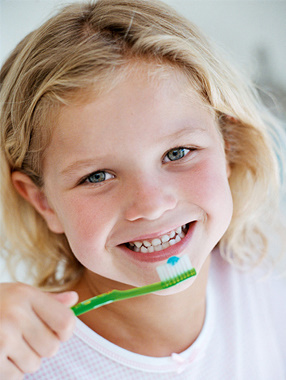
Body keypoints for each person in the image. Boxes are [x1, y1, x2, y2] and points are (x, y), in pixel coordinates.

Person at [0, 0, 285, 378]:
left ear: (228, 144)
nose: (150, 205)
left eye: (178, 153)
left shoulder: (270, 273)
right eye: (98, 176)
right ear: (43, 202)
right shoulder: (21, 359)